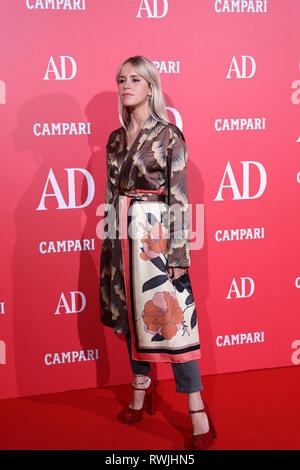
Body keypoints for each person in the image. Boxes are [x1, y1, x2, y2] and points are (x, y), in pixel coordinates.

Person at [99, 56, 216, 450]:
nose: (126, 85)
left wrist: (179, 254)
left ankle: (196, 408)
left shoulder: (169, 135)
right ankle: (141, 386)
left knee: (174, 320)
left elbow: (180, 199)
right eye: (121, 79)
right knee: (131, 317)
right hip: (120, 233)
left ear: (151, 87)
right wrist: (109, 241)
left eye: (135, 79)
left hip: (155, 236)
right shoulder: (115, 139)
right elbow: (108, 193)